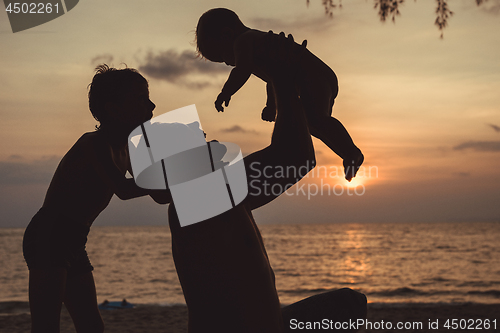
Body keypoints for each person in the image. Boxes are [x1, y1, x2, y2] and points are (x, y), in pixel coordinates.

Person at [168, 44, 366, 332]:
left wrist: (281, 85)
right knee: (347, 305)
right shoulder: (201, 199)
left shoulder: (212, 197)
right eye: (202, 142)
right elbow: (296, 157)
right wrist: (280, 75)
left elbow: (296, 158)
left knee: (348, 305)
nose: (212, 143)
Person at [22, 65, 171, 333]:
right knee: (45, 327)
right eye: (140, 98)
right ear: (113, 109)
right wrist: (167, 173)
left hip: (74, 241)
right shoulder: (94, 143)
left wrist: (194, 163)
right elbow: (124, 190)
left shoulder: (130, 148)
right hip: (49, 235)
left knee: (92, 327)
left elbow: (159, 195)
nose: (151, 104)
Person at [196, 8, 364, 181]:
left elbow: (242, 70)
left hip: (314, 75)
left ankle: (351, 152)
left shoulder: (244, 41)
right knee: (313, 123)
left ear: (226, 35)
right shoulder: (258, 46)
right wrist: (271, 105)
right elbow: (272, 77)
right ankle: (348, 153)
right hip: (317, 77)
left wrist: (226, 92)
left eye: (222, 57)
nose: (227, 64)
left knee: (316, 120)